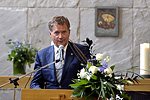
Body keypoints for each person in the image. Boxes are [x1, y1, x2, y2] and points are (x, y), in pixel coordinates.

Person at [30, 16, 90, 89]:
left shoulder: (81, 51)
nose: (60, 36)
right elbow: (35, 82)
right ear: (50, 34)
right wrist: (40, 94)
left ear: (69, 32)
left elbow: (88, 79)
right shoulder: (42, 55)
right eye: (56, 33)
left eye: (64, 32)